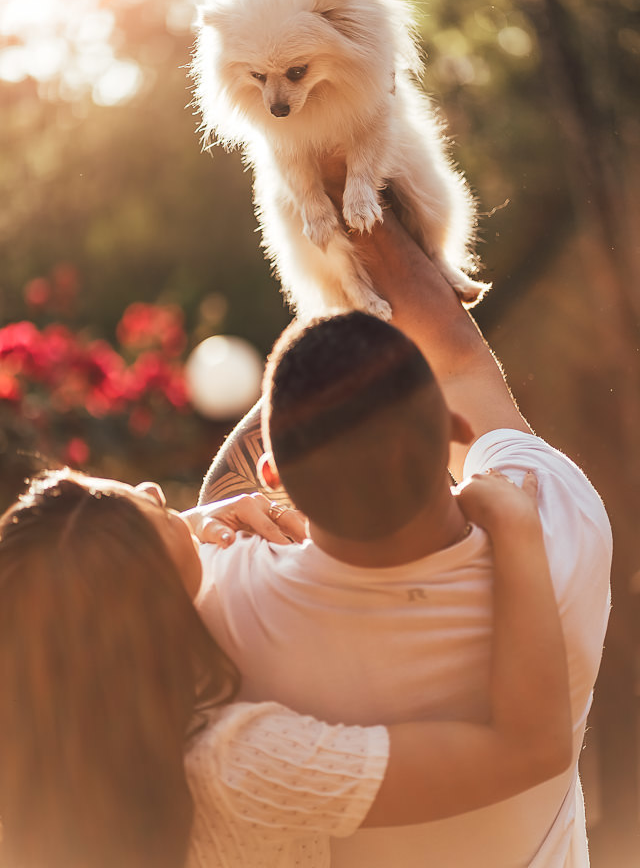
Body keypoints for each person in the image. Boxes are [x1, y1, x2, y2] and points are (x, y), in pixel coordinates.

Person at [196, 171, 612, 867]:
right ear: (452, 429)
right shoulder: (557, 526)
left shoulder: (231, 602)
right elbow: (455, 349)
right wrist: (342, 176)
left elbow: (181, 525)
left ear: (272, 474)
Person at [0, 462, 570, 868]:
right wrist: (514, 521)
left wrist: (177, 528)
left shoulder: (46, 759)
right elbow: (529, 750)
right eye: (153, 510)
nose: (152, 487)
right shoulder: (236, 766)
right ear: (151, 612)